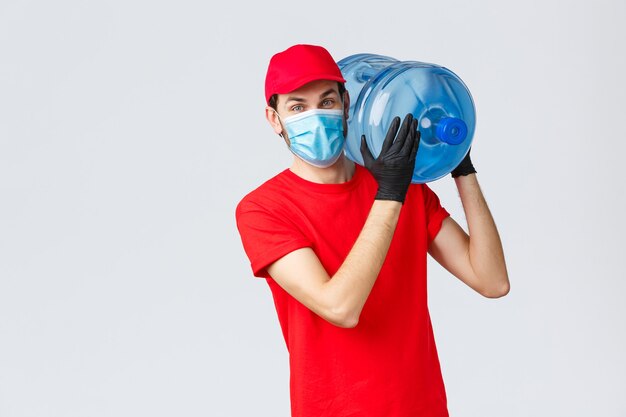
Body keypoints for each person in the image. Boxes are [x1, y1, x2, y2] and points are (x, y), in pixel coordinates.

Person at [235, 44, 509, 417]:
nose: (316, 115)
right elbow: (341, 307)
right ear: (274, 118)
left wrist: (462, 167)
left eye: (327, 101)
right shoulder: (264, 209)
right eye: (298, 107)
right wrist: (391, 192)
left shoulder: (402, 186)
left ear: (347, 103)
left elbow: (492, 281)